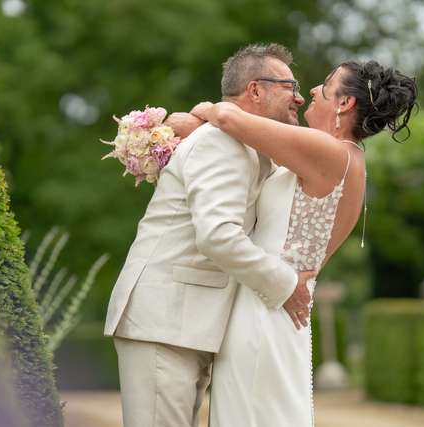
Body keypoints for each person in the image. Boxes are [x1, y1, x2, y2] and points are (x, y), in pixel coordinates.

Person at [169, 59, 417, 426]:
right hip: (283, 310)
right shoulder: (350, 160)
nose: (311, 92)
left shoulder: (326, 151)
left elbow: (230, 117)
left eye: (324, 86)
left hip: (262, 310)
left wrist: (200, 113)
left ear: (344, 104)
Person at [103, 43, 316, 427]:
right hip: (165, 321)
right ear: (255, 90)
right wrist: (285, 284)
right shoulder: (223, 144)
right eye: (290, 85)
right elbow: (218, 235)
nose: (300, 96)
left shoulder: (243, 144)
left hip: (185, 324)